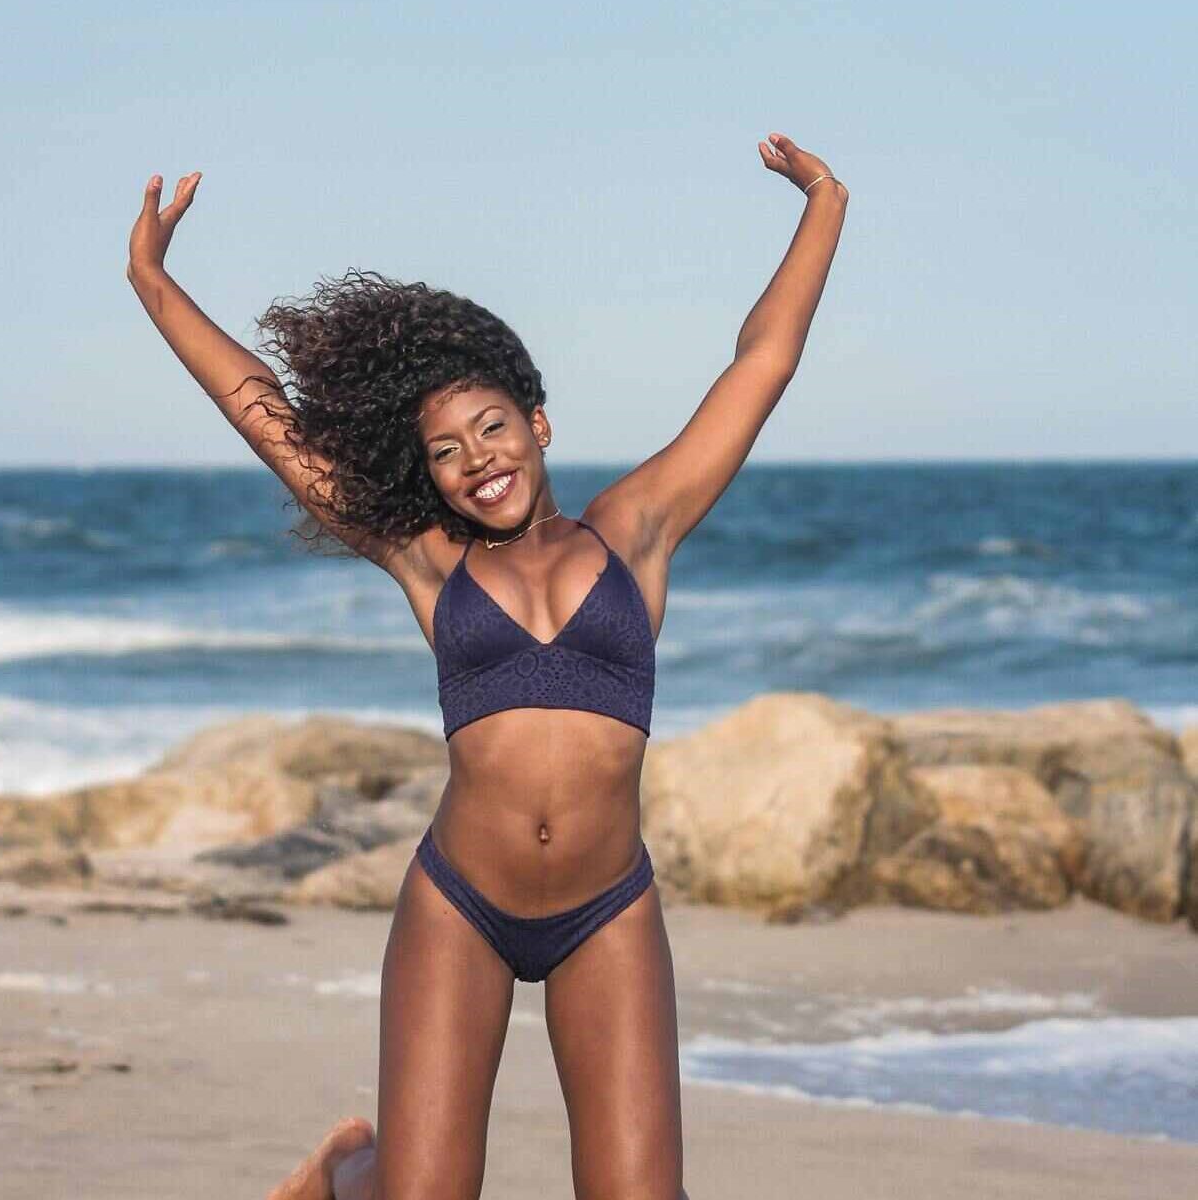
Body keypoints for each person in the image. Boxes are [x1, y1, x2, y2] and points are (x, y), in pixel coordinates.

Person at [126, 132, 847, 1200]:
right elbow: (268, 419)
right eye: (447, 452)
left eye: (492, 428)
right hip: (458, 905)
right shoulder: (428, 560)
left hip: (608, 908)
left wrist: (823, 201)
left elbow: (761, 363)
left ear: (538, 422)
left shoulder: (633, 532)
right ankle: (345, 1175)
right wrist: (151, 279)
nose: (478, 461)